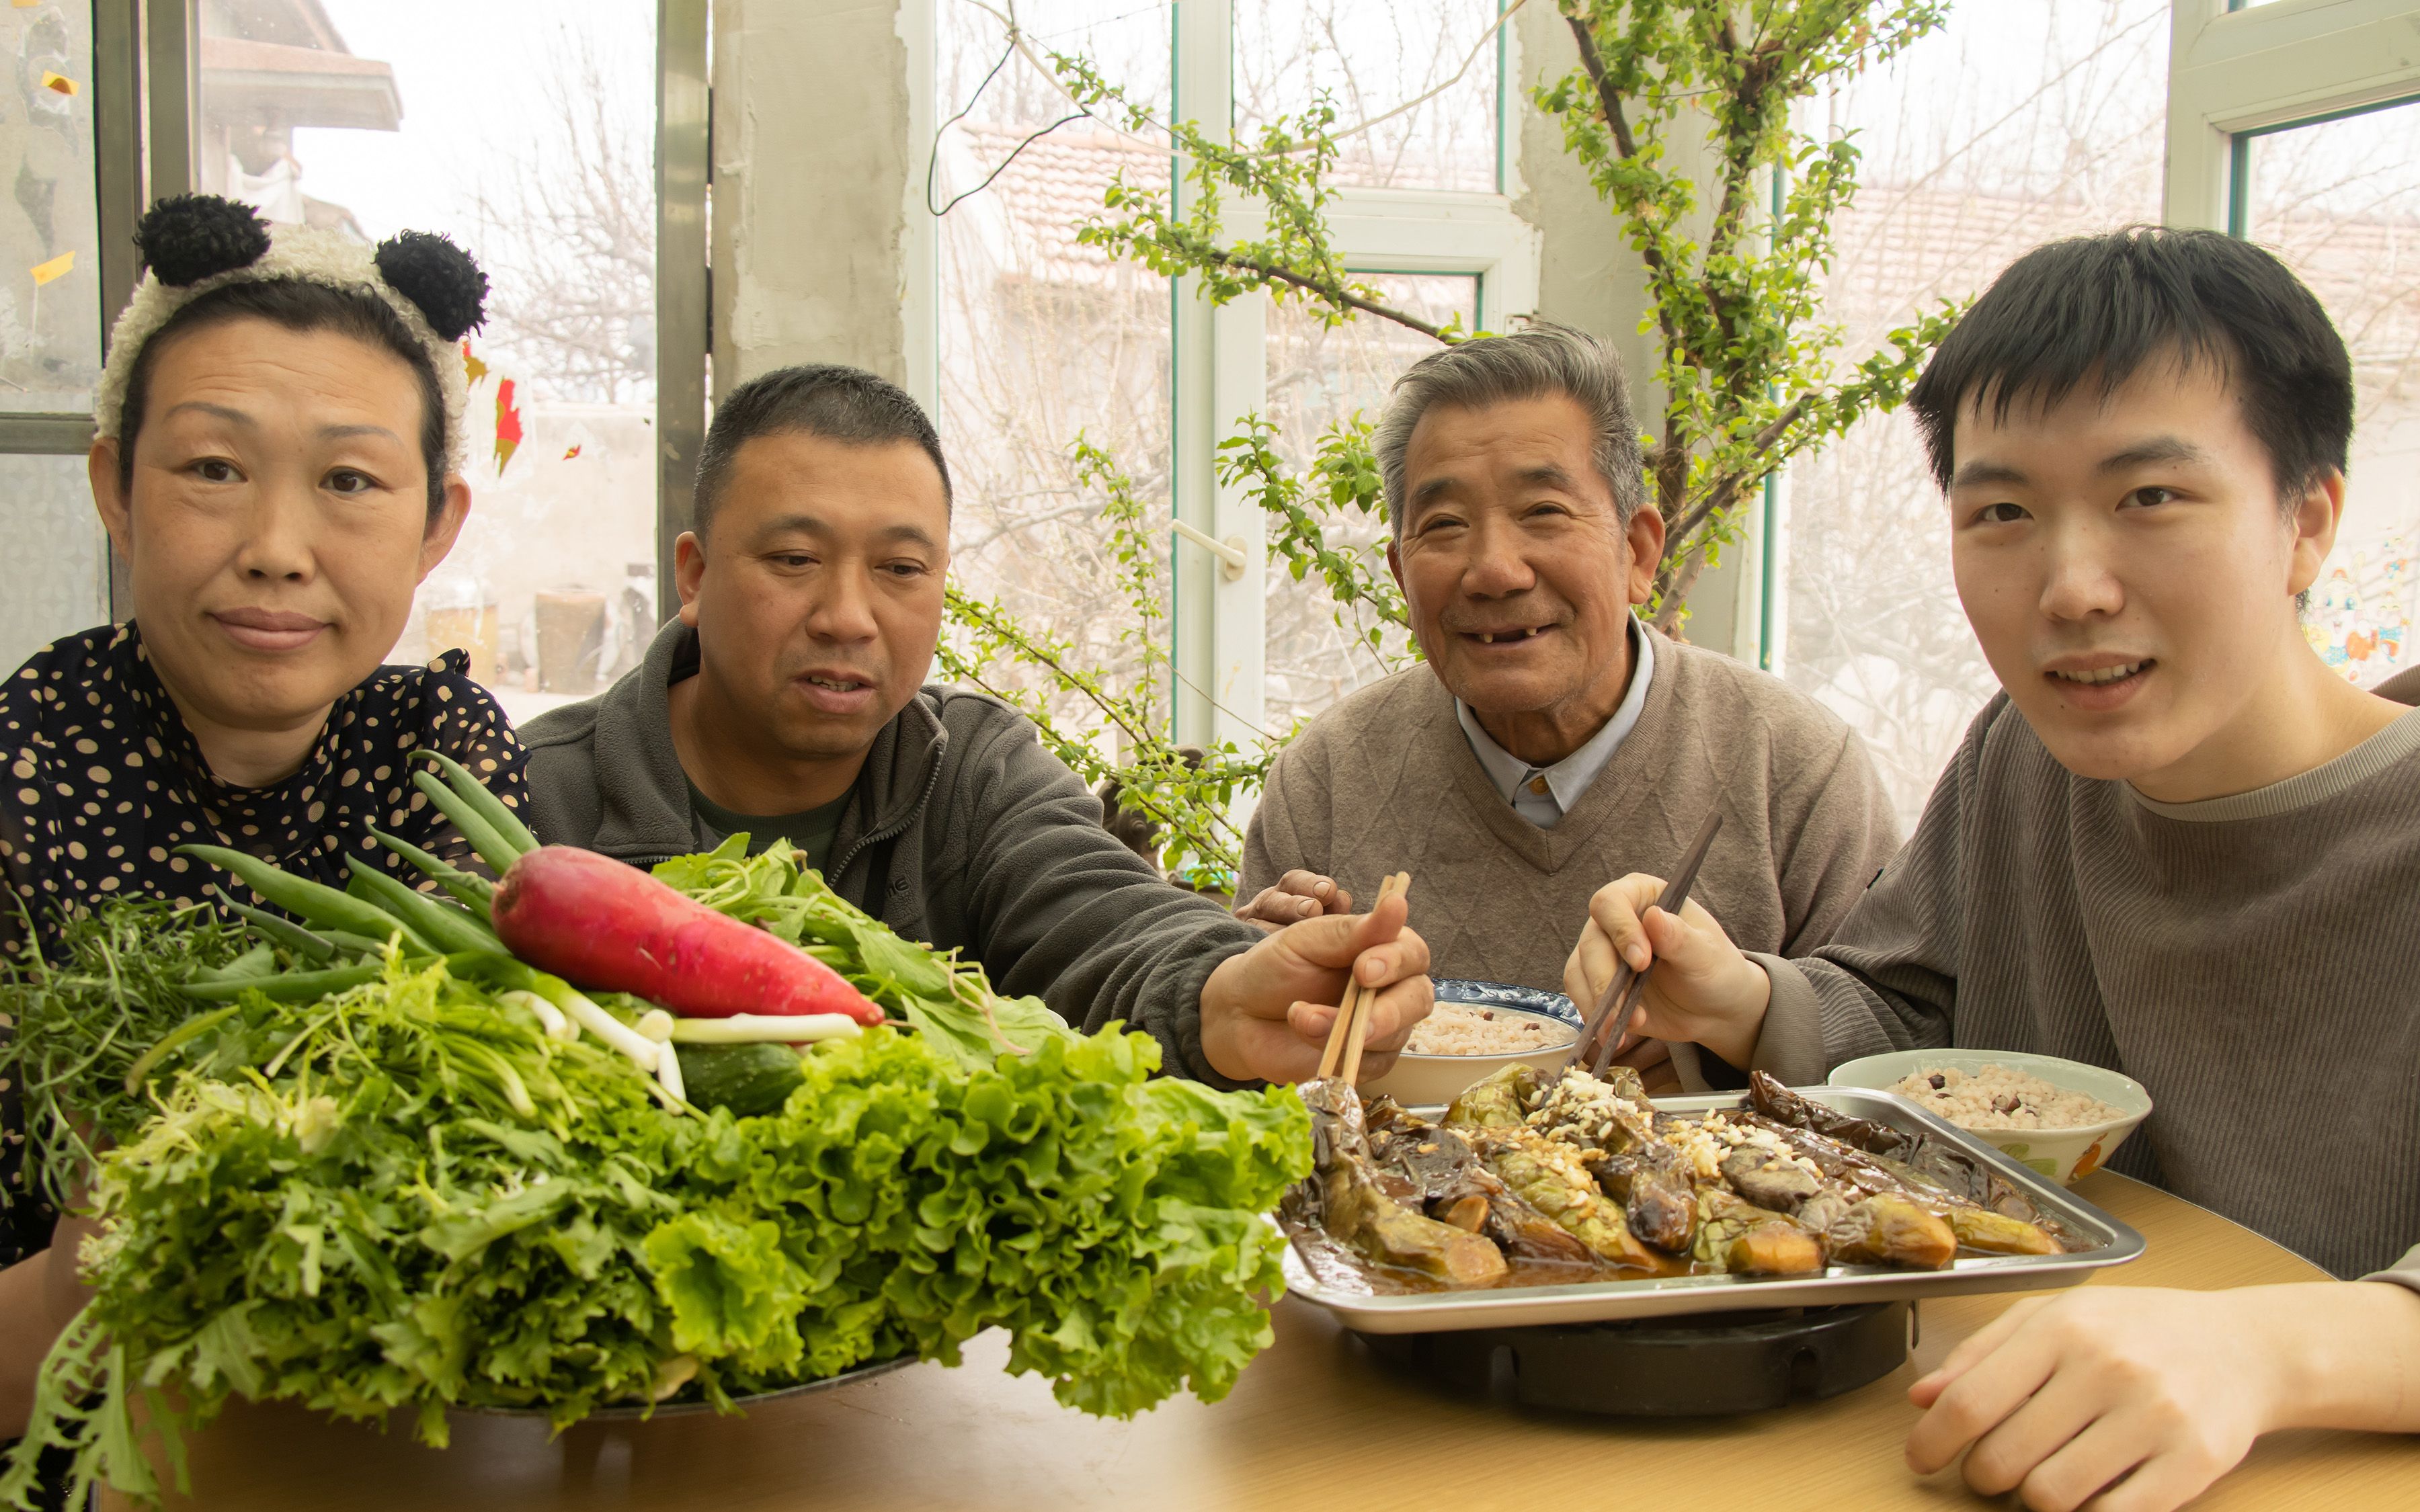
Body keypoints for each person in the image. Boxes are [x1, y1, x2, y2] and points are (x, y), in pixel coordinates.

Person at [1567, 228, 2420, 1511]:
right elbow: (1916, 1029)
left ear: (2307, 522)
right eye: (2003, 513)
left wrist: (2269, 1346)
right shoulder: (2028, 761)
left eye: (2151, 499)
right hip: (1996, 1439)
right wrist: (1739, 1001)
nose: (2071, 588)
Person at [0, 196, 524, 1466]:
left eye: (349, 481)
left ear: (436, 525)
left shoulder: (443, 753)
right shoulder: (20, 768)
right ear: (113, 486)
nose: (278, 550)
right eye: (215, 470)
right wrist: (115, 1253)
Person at [520, 365, 1432, 1090]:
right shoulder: (533, 796)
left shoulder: (972, 773)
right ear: (693, 575)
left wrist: (1223, 993)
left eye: (901, 568)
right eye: (794, 558)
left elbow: (1098, 908)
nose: (848, 614)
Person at [1235, 322, 1898, 1089]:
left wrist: (1727, 1031)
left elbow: (1891, 1062)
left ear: (1638, 553)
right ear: (1399, 573)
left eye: (1543, 511)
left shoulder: (1796, 769)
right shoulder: (1328, 779)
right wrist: (1260, 994)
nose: (1493, 570)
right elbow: (1252, 1089)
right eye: (1444, 526)